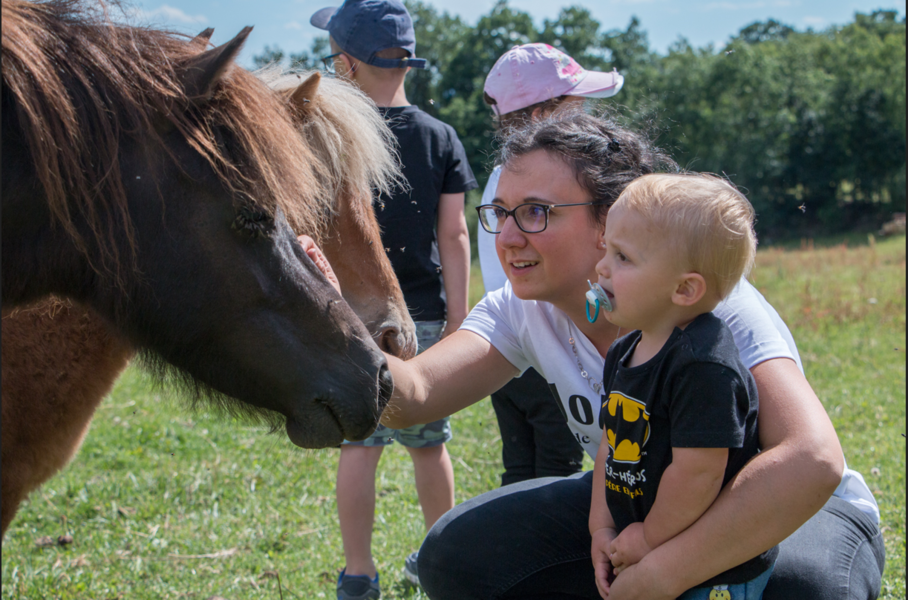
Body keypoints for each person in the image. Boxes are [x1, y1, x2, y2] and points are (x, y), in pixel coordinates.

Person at [377, 110, 884, 599]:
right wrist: (324, 308)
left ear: (611, 217)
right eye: (499, 213)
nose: (507, 239)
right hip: (638, 508)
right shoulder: (520, 309)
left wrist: (666, 573)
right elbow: (413, 395)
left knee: (802, 587)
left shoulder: (702, 303)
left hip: (786, 505)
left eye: (534, 212)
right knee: (456, 553)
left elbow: (812, 460)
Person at [309, 1, 478, 598]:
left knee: (359, 447)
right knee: (430, 450)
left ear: (346, 65)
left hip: (351, 317)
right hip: (424, 319)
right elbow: (454, 235)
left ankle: (358, 575)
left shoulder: (330, 137)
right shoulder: (441, 136)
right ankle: (443, 561)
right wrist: (460, 318)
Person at [588, 173, 776, 599]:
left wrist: (649, 538)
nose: (601, 267)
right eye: (606, 250)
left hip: (713, 567)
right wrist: (602, 525)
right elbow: (609, 446)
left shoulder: (704, 365)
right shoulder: (625, 350)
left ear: (685, 289)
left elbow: (698, 473)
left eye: (622, 257)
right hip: (645, 541)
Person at [478, 43, 624, 486]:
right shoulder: (531, 186)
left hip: (514, 350)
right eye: (574, 102)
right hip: (546, 347)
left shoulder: (499, 180)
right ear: (546, 115)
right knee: (555, 471)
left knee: (522, 470)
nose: (509, 234)